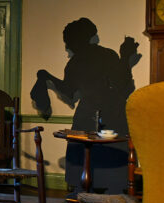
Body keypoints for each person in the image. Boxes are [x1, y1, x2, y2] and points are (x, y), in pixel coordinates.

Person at [30, 18, 140, 192]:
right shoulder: (106, 55)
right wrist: (125, 58)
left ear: (76, 40)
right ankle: (106, 196)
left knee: (86, 157)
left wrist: (45, 76)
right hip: (108, 112)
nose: (66, 48)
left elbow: (68, 91)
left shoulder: (75, 63)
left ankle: (88, 195)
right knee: (103, 158)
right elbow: (122, 81)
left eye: (67, 42)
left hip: (95, 112)